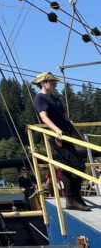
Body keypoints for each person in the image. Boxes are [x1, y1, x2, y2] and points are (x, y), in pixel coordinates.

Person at [33, 71, 90, 211]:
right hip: (58, 136)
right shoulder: (40, 98)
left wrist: (69, 123)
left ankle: (75, 197)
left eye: (54, 82)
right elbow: (44, 117)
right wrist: (56, 131)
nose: (54, 84)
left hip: (66, 134)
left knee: (74, 165)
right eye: (52, 82)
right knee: (75, 165)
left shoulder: (55, 98)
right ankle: (71, 198)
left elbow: (62, 115)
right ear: (43, 83)